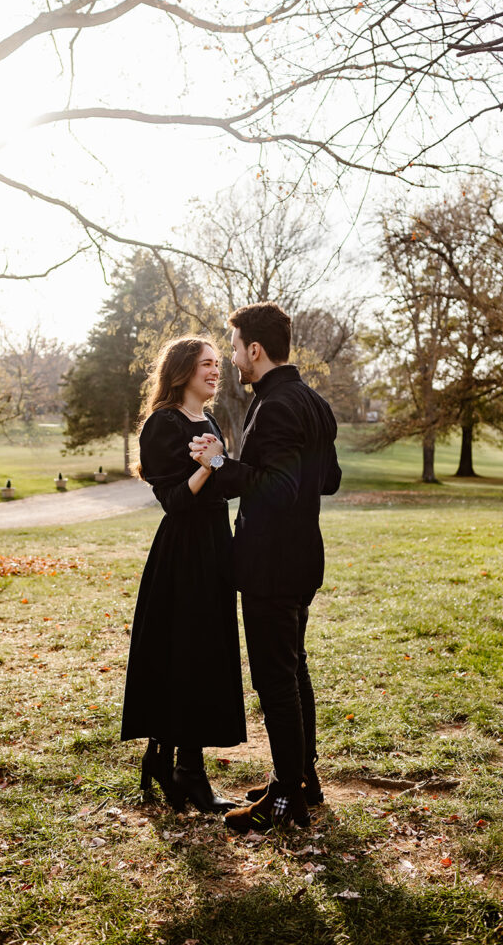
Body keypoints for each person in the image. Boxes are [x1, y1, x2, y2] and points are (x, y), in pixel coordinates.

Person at [190, 302, 341, 832]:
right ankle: (301, 780)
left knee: (276, 679)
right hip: (303, 558)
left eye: (233, 348)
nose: (232, 359)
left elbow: (278, 487)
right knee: (293, 669)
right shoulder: (314, 403)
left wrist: (217, 465)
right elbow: (328, 480)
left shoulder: (276, 405)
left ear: (255, 349)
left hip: (272, 565)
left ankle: (286, 802)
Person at [121, 336, 246, 813]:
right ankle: (184, 769)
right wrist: (204, 467)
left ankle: (167, 758)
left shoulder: (209, 420)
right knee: (184, 654)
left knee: (202, 653)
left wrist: (216, 461)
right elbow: (174, 501)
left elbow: (223, 480)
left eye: (218, 364)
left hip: (215, 545)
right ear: (182, 371)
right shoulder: (162, 424)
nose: (216, 372)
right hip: (184, 551)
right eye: (206, 365)